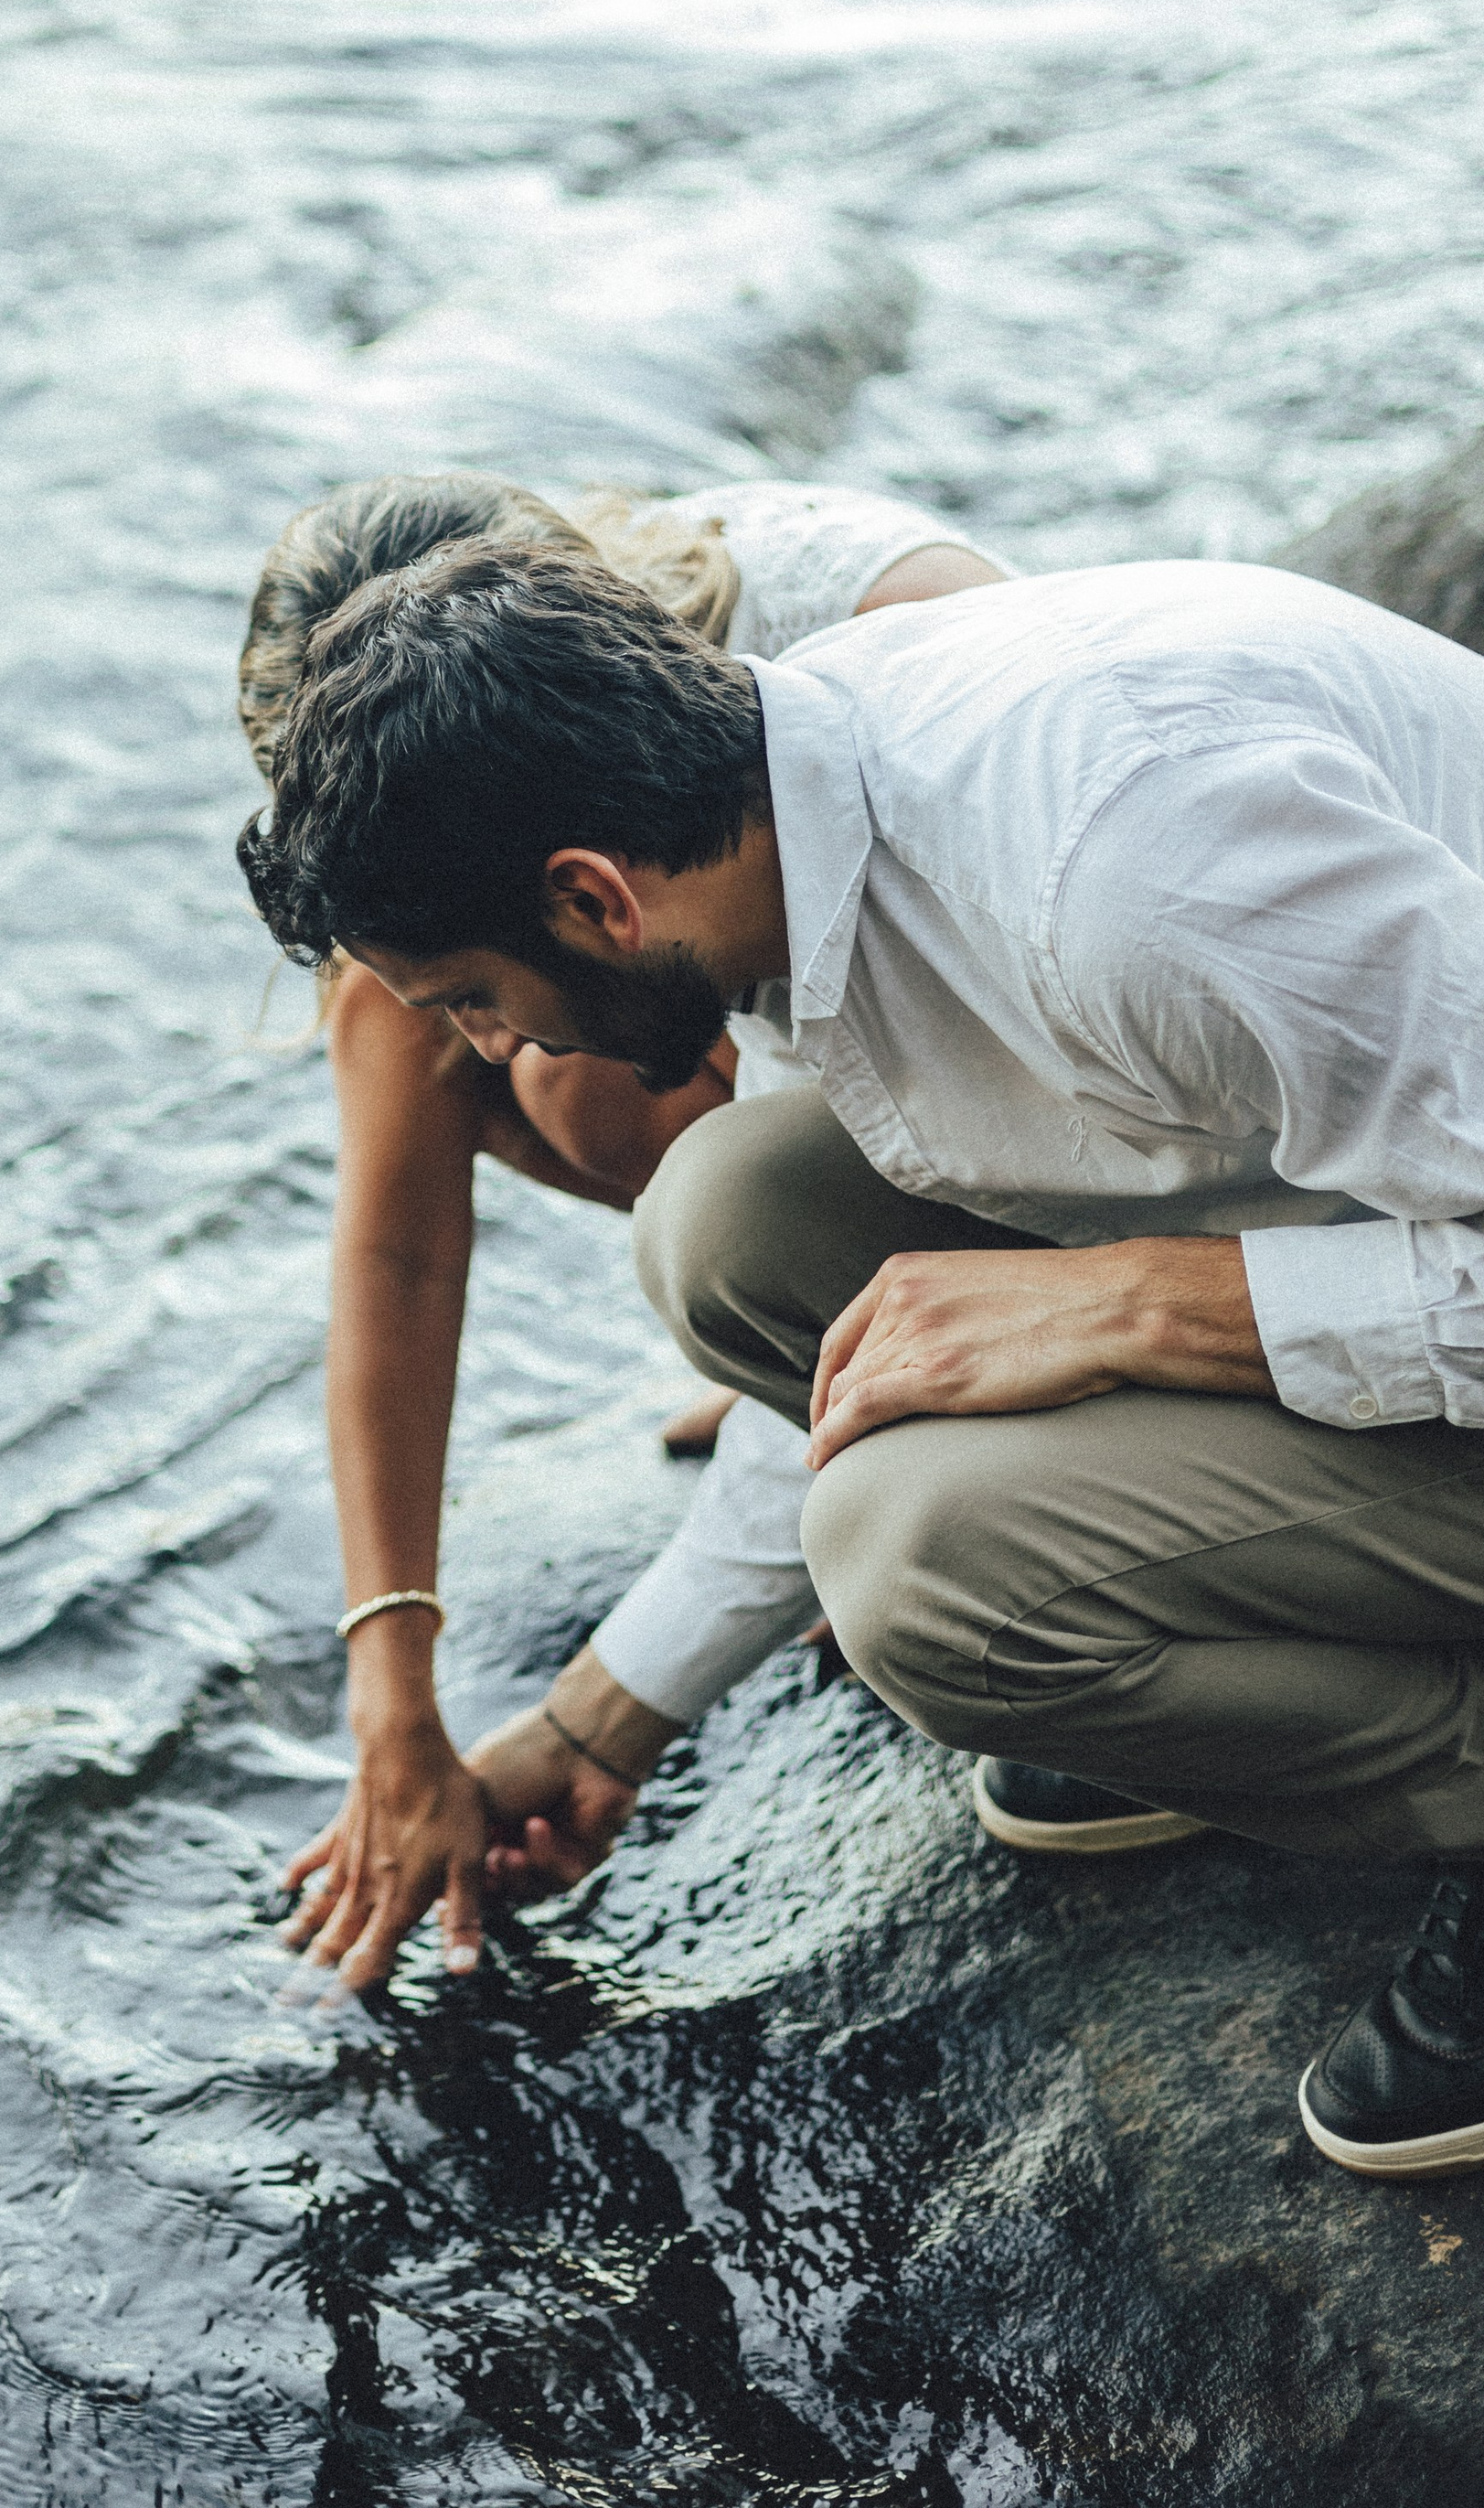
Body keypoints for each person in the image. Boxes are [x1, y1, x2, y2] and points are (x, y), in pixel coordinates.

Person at [242, 537, 1484, 2181]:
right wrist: (608, 1720)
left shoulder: (1128, 867)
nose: (491, 1053)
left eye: (470, 997)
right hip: (1445, 1205)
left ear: (594, 896)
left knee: (928, 1569)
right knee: (725, 1219)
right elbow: (847, 1369)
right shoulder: (788, 804)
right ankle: (1242, 1624)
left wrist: (1150, 1304)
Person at [236, 474, 1004, 1953]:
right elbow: (394, 1249)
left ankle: (848, 1356)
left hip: (1049, 1113)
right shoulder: (480, 853)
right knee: (466, 1036)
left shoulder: (869, 636)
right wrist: (394, 1700)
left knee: (608, 1104)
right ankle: (797, 1332)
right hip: (835, 1083)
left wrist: (619, 1699)